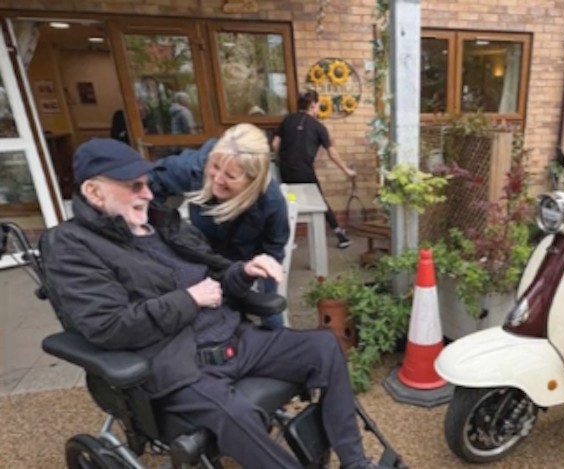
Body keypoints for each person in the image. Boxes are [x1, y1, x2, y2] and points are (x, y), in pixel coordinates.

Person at [41, 138, 386, 469]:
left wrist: (243, 272)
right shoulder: (72, 248)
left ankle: (355, 462)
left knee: (324, 347)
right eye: (135, 186)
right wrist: (188, 299)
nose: (147, 194)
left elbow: (212, 278)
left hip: (235, 340)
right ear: (93, 192)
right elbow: (109, 326)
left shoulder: (161, 225)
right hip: (180, 365)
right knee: (237, 415)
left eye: (147, 184)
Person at [149, 123, 289, 329]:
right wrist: (158, 233)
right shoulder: (194, 167)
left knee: (269, 313)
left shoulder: (271, 203)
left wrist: (265, 298)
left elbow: (273, 250)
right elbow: (149, 183)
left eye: (230, 176)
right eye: (214, 167)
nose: (217, 180)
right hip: (201, 260)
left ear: (252, 180)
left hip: (243, 267)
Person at [272, 90, 356, 249]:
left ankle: (286, 240)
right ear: (313, 105)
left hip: (286, 171)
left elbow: (275, 144)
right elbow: (332, 153)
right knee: (319, 201)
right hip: (304, 172)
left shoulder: (287, 120)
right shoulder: (318, 127)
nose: (318, 107)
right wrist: (347, 171)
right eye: (317, 105)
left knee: (289, 201)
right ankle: (340, 235)